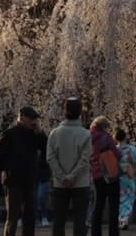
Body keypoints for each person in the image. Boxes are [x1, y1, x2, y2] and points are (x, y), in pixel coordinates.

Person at [0, 106, 45, 236]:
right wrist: (6, 170)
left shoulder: (34, 134)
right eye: (31, 119)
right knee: (13, 217)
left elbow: (45, 148)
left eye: (35, 119)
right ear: (21, 118)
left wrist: (40, 132)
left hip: (29, 180)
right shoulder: (10, 133)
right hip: (13, 181)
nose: (33, 122)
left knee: (30, 217)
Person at [47, 97, 92, 236]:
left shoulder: (54, 133)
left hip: (60, 184)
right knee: (80, 220)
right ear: (80, 112)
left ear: (64, 111)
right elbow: (85, 160)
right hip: (80, 183)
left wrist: (62, 177)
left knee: (58, 221)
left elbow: (50, 157)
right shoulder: (85, 134)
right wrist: (72, 177)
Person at [88, 116, 121, 236]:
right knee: (114, 206)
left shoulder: (86, 136)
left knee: (98, 205)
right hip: (109, 174)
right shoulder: (106, 138)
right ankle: (113, 232)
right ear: (104, 126)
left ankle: (95, 232)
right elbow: (117, 154)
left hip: (96, 175)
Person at [114, 129, 136, 230]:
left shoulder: (114, 149)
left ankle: (120, 219)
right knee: (129, 199)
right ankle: (124, 219)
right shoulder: (132, 149)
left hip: (117, 177)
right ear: (125, 137)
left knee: (119, 199)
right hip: (128, 177)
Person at [34, 123, 51, 227]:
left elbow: (49, 158)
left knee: (40, 196)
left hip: (43, 175)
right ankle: (36, 217)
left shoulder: (45, 143)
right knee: (33, 198)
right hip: (33, 175)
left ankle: (44, 216)